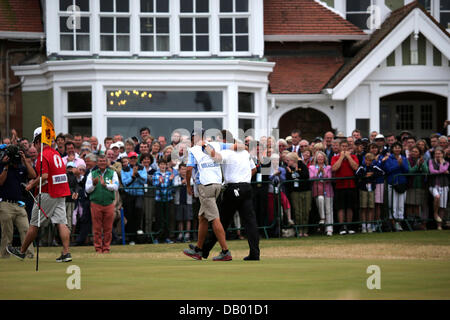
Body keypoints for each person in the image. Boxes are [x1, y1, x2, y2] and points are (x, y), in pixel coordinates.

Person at [7, 127, 73, 262]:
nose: (33, 146)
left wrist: (31, 185)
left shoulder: (43, 155)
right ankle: (66, 253)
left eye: (34, 143)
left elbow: (44, 176)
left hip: (48, 193)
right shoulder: (55, 153)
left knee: (34, 224)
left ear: (38, 141)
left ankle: (21, 251)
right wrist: (26, 162)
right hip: (61, 192)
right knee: (62, 222)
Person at [201, 137, 260, 261]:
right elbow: (254, 169)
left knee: (221, 221)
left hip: (233, 188)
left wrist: (205, 146)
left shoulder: (228, 152)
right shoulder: (245, 153)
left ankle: (205, 250)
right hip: (246, 187)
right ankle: (255, 253)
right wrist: (244, 178)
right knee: (250, 222)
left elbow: (215, 157)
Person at [183, 128, 232, 261]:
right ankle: (199, 249)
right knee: (202, 217)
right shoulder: (215, 145)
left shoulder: (193, 150)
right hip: (217, 184)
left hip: (205, 186)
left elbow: (188, 169)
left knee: (214, 218)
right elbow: (233, 146)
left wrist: (188, 185)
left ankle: (225, 251)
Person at [0, 145, 36, 258]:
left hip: (19, 204)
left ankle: (29, 255)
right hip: (6, 204)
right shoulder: (2, 165)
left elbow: (33, 175)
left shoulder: (21, 167)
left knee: (26, 229)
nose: (16, 161)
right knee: (7, 233)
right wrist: (5, 166)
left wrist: (25, 161)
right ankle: (5, 256)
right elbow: (0, 182)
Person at [85, 154, 119, 253]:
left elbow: (116, 186)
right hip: (96, 203)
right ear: (97, 162)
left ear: (107, 162)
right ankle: (98, 248)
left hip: (109, 203)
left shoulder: (113, 173)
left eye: (104, 161)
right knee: (97, 228)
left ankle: (106, 248)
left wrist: (106, 185)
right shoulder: (92, 173)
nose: (102, 163)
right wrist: (94, 185)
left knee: (108, 228)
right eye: (100, 161)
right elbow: (87, 189)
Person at [331, 140, 359, 235]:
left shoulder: (354, 156)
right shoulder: (335, 157)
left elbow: (355, 167)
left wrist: (348, 157)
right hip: (339, 186)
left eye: (345, 146)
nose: (344, 148)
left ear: (348, 147)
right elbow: (334, 168)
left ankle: (350, 226)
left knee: (350, 207)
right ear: (339, 147)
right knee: (341, 207)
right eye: (342, 146)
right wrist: (341, 157)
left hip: (351, 185)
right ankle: (342, 226)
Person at [381, 142, 410, 231]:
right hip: (392, 183)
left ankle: (399, 223)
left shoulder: (404, 158)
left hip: (402, 183)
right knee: (392, 204)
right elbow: (388, 170)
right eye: (395, 148)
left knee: (400, 205)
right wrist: (398, 165)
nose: (397, 149)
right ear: (392, 149)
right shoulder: (389, 158)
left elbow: (407, 170)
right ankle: (393, 223)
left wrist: (401, 164)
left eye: (399, 148)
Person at [121, 151, 147, 245]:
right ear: (128, 159)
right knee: (129, 215)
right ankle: (131, 237)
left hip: (139, 194)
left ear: (137, 159)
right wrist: (132, 177)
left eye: (134, 158)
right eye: (131, 158)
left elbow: (144, 180)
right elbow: (125, 183)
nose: (133, 160)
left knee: (138, 209)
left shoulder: (142, 167)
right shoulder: (124, 169)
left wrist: (137, 175)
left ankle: (138, 234)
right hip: (129, 195)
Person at [355, 153, 384, 233]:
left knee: (371, 207)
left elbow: (382, 172)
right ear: (365, 160)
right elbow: (357, 174)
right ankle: (364, 225)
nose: (368, 162)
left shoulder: (374, 167)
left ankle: (369, 225)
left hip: (371, 189)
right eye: (367, 160)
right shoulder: (361, 167)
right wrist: (365, 175)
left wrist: (372, 174)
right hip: (363, 189)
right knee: (363, 207)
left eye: (370, 160)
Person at [285, 152, 311, 237]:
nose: (287, 162)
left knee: (305, 211)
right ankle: (299, 230)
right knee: (297, 211)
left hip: (305, 190)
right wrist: (293, 173)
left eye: (288, 160)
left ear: (292, 160)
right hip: (295, 192)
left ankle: (305, 230)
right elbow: (289, 178)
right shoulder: (288, 168)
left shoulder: (302, 165)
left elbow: (305, 175)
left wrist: (295, 172)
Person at [309, 151, 334, 236]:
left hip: (328, 190)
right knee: (320, 199)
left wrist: (323, 173)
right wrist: (317, 173)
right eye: (319, 157)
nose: (320, 159)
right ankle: (322, 218)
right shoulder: (312, 167)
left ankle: (329, 229)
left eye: (322, 157)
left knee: (328, 209)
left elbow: (329, 179)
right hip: (317, 190)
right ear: (316, 158)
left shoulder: (328, 167)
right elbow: (311, 178)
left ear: (324, 159)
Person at [152, 157, 175, 244]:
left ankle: (167, 237)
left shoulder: (169, 174)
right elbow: (155, 184)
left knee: (167, 218)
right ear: (158, 165)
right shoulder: (156, 174)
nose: (163, 166)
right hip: (159, 199)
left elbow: (172, 186)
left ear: (166, 165)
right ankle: (157, 237)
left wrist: (170, 181)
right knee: (159, 218)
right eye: (161, 164)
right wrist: (160, 182)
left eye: (164, 164)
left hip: (168, 199)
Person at [406, 146, 428, 230]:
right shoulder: (408, 160)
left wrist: (421, 164)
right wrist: (417, 165)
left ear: (419, 153)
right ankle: (409, 223)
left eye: (416, 152)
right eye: (413, 151)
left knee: (416, 205)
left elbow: (426, 171)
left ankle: (416, 223)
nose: (414, 153)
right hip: (410, 185)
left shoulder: (423, 161)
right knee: (409, 205)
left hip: (420, 186)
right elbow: (410, 171)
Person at [428, 147, 449, 230]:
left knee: (442, 206)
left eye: (439, 153)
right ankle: (435, 214)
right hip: (433, 185)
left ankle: (439, 225)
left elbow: (442, 169)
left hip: (444, 185)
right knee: (437, 197)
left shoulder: (446, 162)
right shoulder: (430, 161)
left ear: (443, 154)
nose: (438, 155)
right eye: (436, 153)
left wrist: (441, 163)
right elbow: (432, 171)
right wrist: (442, 170)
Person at [173, 163, 193, 243]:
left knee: (188, 218)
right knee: (180, 218)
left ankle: (187, 234)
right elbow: (175, 184)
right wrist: (182, 182)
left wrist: (186, 181)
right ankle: (180, 234)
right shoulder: (177, 178)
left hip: (188, 201)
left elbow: (191, 183)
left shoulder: (190, 177)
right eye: (182, 169)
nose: (183, 171)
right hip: (179, 201)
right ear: (179, 170)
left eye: (185, 169)